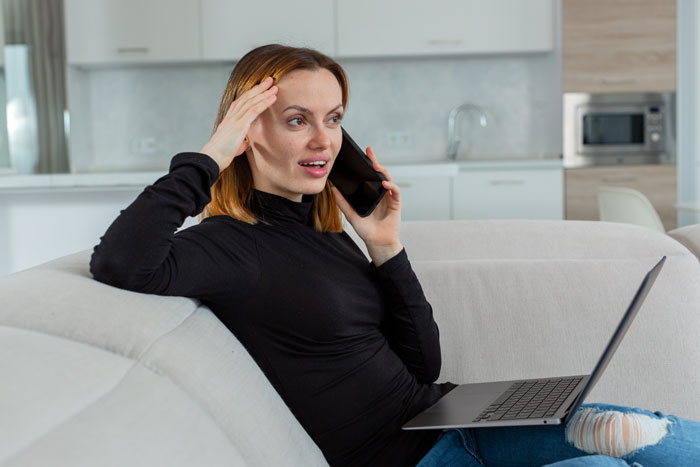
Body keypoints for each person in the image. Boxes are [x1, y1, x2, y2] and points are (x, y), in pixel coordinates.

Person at [90, 44, 700, 467]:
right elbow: (121, 261)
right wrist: (211, 155)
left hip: (448, 421)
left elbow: (424, 366)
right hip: (407, 460)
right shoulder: (228, 244)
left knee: (628, 430)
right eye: (297, 120)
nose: (324, 140)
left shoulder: (329, 235)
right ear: (249, 130)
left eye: (333, 119)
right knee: (613, 449)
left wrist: (386, 247)